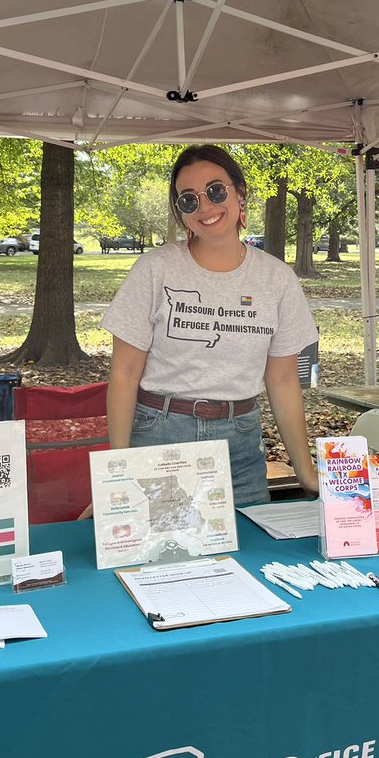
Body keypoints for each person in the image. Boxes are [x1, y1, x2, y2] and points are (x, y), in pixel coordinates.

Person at [95, 144, 319, 506]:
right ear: (181, 213)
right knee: (162, 559)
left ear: (240, 192)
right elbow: (123, 374)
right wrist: (117, 469)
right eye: (188, 200)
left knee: (250, 557)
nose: (206, 207)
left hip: (241, 444)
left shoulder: (277, 279)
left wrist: (306, 471)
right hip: (160, 436)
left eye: (216, 191)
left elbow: (282, 379)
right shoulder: (155, 269)